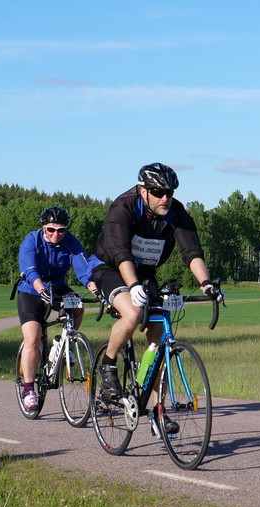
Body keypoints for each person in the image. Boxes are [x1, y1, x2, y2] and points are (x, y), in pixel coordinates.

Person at [90, 163, 222, 415]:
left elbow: (191, 251)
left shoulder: (175, 211)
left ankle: (155, 409)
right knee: (132, 313)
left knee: (159, 336)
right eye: (158, 192)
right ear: (143, 191)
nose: (165, 198)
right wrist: (133, 285)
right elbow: (120, 252)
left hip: (145, 273)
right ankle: (108, 363)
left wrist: (205, 283)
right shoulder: (123, 207)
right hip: (110, 268)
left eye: (169, 193)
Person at [16, 206, 96, 410]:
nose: (56, 234)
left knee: (77, 306)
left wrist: (94, 288)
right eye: (51, 229)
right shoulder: (32, 240)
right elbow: (29, 269)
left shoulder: (70, 242)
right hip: (31, 290)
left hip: (57, 286)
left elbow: (84, 270)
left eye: (61, 230)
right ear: (43, 227)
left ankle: (65, 343)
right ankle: (28, 389)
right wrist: (41, 289)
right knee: (33, 338)